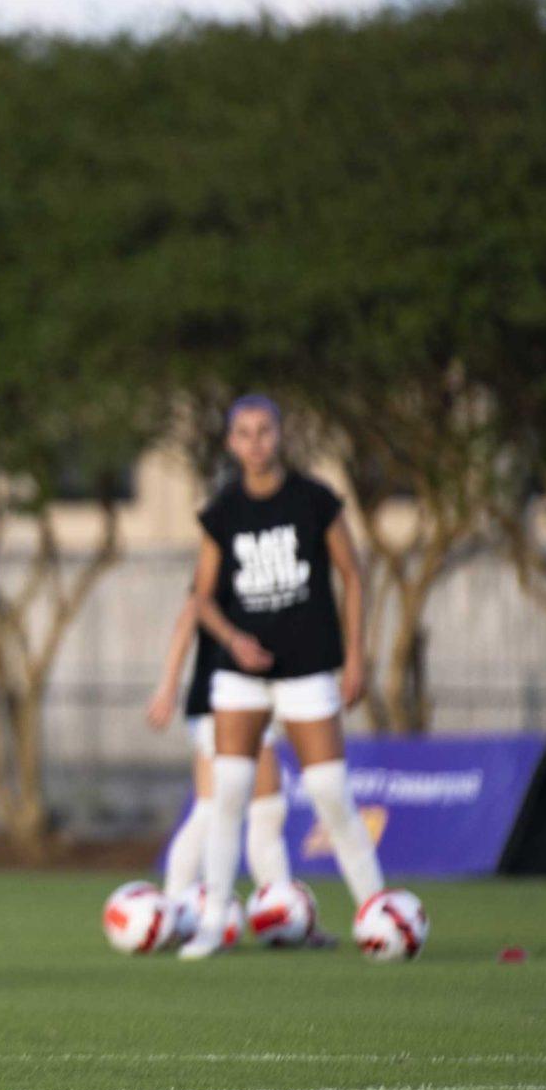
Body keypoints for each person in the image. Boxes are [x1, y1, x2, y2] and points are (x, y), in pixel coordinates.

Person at [179, 394, 385, 958]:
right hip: (241, 674)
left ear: (280, 434)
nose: (255, 442)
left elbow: (352, 573)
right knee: (230, 793)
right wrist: (233, 640)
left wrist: (357, 657)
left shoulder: (314, 500)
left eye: (265, 431)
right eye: (243, 433)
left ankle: (378, 914)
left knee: (328, 791)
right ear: (231, 442)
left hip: (307, 664)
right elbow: (202, 596)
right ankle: (214, 920)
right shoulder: (223, 512)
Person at [145, 597, 287, 942]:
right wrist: (167, 687)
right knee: (263, 808)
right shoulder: (228, 550)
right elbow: (191, 611)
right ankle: (282, 914)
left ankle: (173, 908)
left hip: (244, 696)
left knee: (211, 809)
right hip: (227, 697)